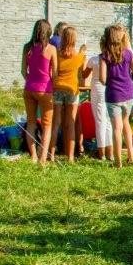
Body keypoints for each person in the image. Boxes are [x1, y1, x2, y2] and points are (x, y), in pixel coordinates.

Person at [99, 25, 133, 168]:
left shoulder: (104, 56)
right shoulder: (128, 53)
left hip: (113, 95)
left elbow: (102, 79)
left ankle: (118, 162)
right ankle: (131, 156)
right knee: (126, 124)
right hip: (129, 93)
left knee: (117, 128)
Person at [21, 19, 57, 165]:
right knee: (47, 125)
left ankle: (33, 156)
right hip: (45, 90)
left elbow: (23, 71)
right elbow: (55, 73)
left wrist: (31, 81)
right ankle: (42, 159)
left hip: (29, 88)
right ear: (48, 32)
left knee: (31, 123)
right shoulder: (51, 49)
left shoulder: (27, 47)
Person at [49, 26, 87, 163]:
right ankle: (70, 157)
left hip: (57, 88)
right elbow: (83, 72)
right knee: (70, 123)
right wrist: (83, 51)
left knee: (55, 123)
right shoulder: (79, 56)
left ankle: (51, 154)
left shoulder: (56, 54)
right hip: (72, 90)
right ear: (74, 40)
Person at [84, 36, 113, 160]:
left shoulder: (94, 60)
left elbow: (84, 75)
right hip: (110, 90)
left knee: (100, 121)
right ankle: (110, 153)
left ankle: (101, 154)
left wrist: (82, 59)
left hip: (98, 90)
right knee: (108, 122)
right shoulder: (113, 60)